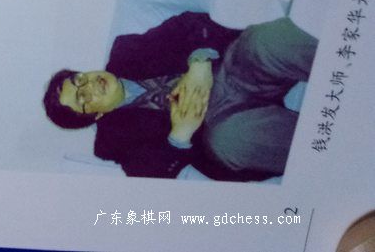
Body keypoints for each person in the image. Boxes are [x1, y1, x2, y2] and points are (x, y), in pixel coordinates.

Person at [42, 12, 317, 180]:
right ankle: (329, 151)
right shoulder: (111, 143)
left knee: (268, 39)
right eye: (83, 99)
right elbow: (152, 173)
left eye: (79, 79)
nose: (89, 86)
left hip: (230, 68)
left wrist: (199, 63)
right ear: (95, 116)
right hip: (219, 127)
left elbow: (188, 24)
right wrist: (180, 135)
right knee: (236, 140)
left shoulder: (126, 51)